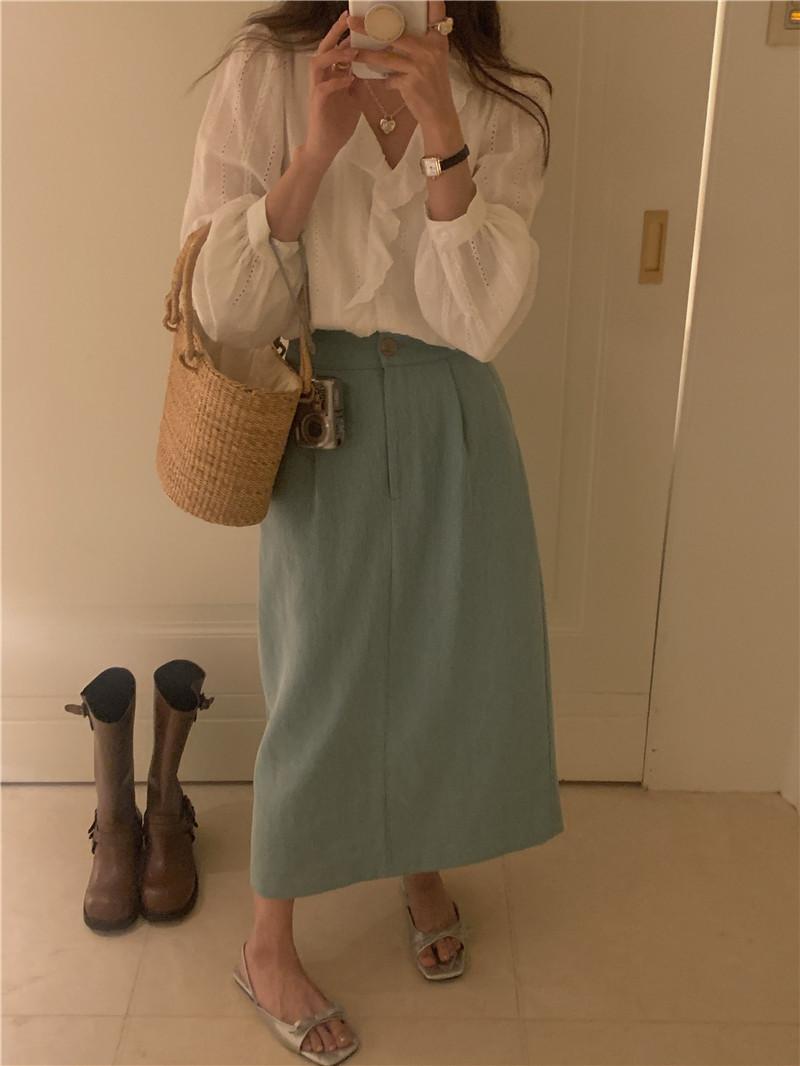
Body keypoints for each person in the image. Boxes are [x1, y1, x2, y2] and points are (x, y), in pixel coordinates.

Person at [178, 1, 564, 1061]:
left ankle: (420, 859)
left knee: (447, 660)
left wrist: (443, 130)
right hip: (322, 407)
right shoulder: (268, 69)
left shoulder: (499, 98)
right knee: (319, 677)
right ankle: (267, 941)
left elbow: (481, 320)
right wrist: (314, 151)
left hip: (452, 408)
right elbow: (221, 299)